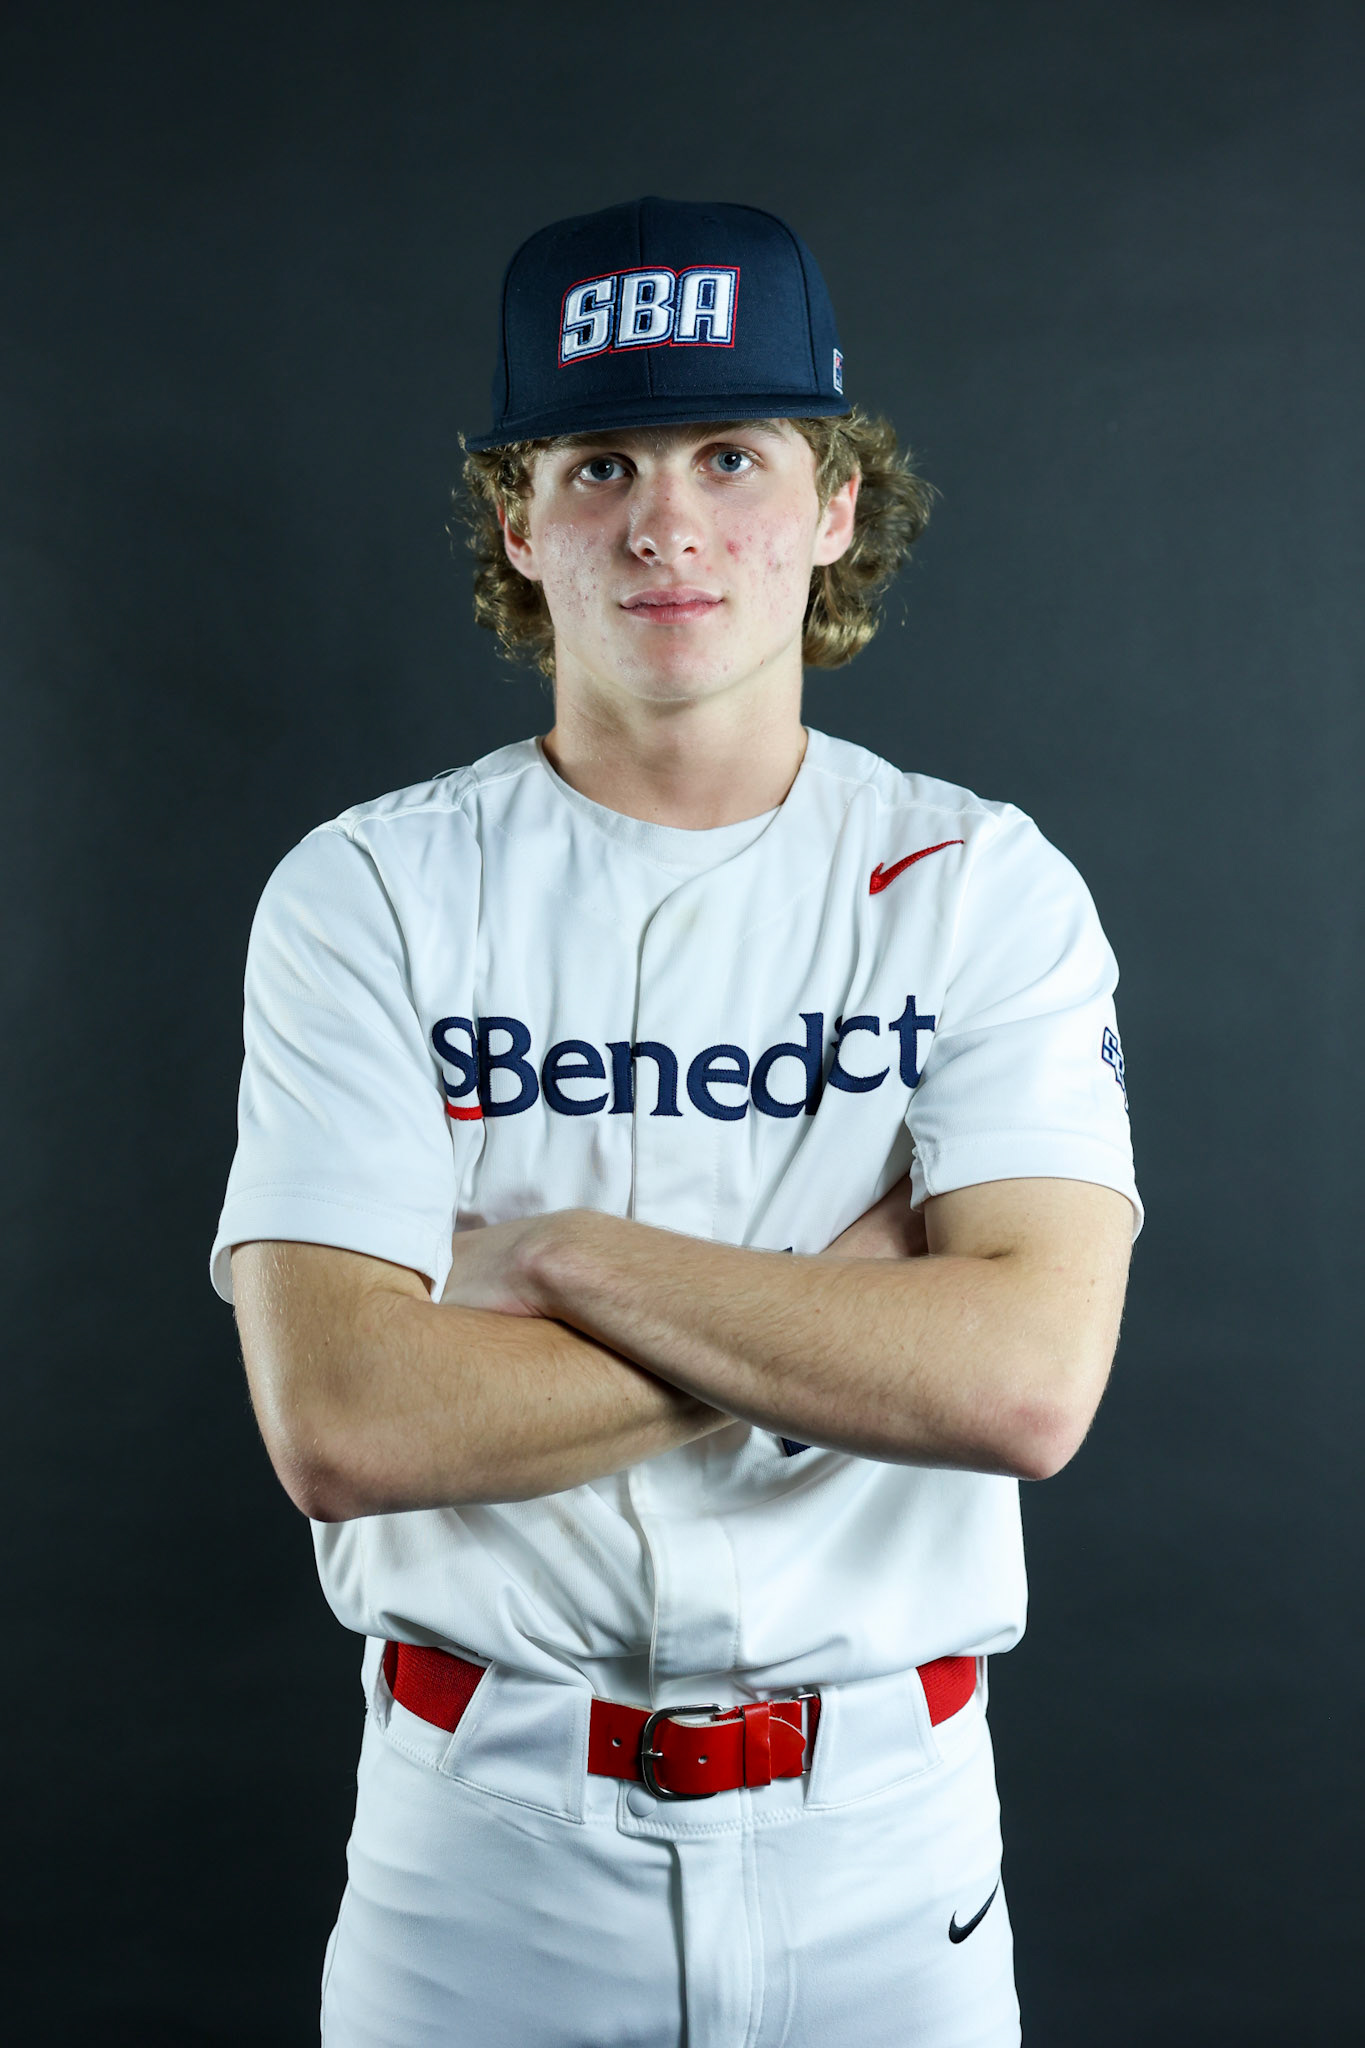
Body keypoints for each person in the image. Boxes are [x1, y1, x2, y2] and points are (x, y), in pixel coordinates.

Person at [213, 196, 1140, 2047]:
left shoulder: (976, 882)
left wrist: (557, 1260)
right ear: (517, 519)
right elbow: (345, 1419)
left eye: (733, 450)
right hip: (481, 1849)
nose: (665, 517)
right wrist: (845, 1313)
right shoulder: (369, 890)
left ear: (834, 508)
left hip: (885, 1845)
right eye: (597, 460)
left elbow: (1023, 1387)